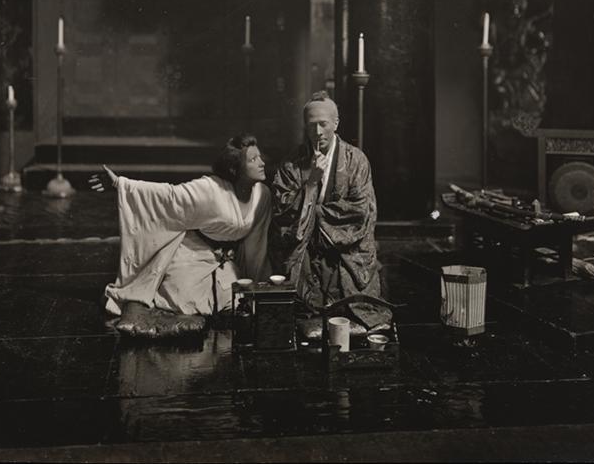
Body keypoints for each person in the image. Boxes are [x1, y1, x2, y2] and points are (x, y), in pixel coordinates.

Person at [90, 134, 272, 337]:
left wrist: (261, 285)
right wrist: (118, 183)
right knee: (183, 296)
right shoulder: (210, 190)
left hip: (224, 259)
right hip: (190, 252)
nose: (262, 163)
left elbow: (257, 244)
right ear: (234, 169)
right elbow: (169, 197)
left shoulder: (262, 195)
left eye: (260, 157)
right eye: (253, 159)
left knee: (234, 299)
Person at [270, 91, 392, 335]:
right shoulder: (292, 163)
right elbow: (282, 211)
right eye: (311, 125)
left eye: (323, 124)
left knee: (356, 301)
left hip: (346, 249)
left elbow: (361, 211)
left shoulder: (356, 160)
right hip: (306, 248)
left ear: (336, 123)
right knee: (298, 302)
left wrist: (313, 212)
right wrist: (312, 182)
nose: (317, 132)